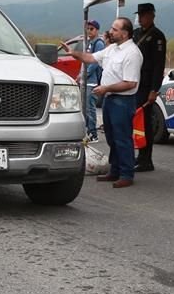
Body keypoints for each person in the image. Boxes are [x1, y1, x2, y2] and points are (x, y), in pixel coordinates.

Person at [61, 17, 143, 188]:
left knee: (122, 138)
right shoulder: (112, 48)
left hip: (123, 100)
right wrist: (74, 53)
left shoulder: (132, 53)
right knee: (112, 137)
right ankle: (115, 170)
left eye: (115, 29)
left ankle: (127, 173)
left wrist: (106, 88)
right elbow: (91, 58)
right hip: (110, 99)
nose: (111, 31)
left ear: (125, 33)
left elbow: (130, 83)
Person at [132, 2, 167, 173]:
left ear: (152, 16)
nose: (140, 18)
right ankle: (138, 156)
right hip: (134, 83)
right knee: (135, 123)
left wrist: (154, 89)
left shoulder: (157, 36)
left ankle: (146, 159)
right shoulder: (136, 33)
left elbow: (158, 66)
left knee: (145, 123)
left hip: (147, 85)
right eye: (139, 15)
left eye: (143, 15)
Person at [83, 20, 106, 142]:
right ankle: (87, 130)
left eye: (92, 29)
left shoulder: (99, 43)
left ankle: (93, 134)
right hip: (86, 81)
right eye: (88, 29)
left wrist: (85, 74)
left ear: (97, 30)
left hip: (92, 81)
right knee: (85, 107)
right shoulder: (89, 43)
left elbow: (95, 62)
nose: (89, 31)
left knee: (90, 108)